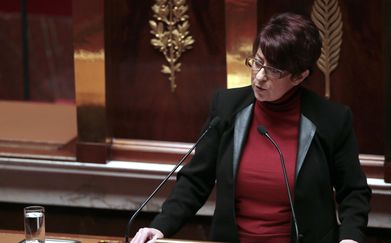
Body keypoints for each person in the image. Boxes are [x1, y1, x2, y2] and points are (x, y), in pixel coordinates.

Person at [131, 12, 371, 243]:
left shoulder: (332, 119)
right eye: (257, 63)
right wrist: (160, 226)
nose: (258, 77)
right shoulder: (226, 108)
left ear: (299, 77)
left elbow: (353, 192)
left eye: (273, 70)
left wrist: (350, 238)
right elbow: (196, 181)